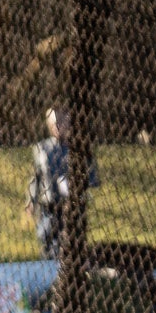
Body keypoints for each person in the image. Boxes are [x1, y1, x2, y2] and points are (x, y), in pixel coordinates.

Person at [26, 106, 96, 259]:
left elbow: (90, 175)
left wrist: (79, 186)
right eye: (53, 123)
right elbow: (36, 176)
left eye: (61, 122)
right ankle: (48, 264)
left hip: (71, 205)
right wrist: (31, 201)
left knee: (71, 240)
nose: (57, 127)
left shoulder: (79, 149)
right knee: (47, 238)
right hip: (48, 206)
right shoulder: (42, 148)